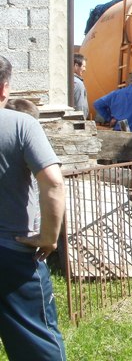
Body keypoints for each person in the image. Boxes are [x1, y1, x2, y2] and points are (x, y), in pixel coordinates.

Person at [0, 55, 67, 360]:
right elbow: (53, 183)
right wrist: (49, 238)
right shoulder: (21, 124)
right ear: (5, 89)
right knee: (36, 345)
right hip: (12, 255)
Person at [73, 53, 89, 119]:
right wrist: (82, 120)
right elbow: (80, 105)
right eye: (83, 66)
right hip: (78, 120)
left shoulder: (68, 80)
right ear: (76, 66)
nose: (85, 69)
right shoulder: (78, 83)